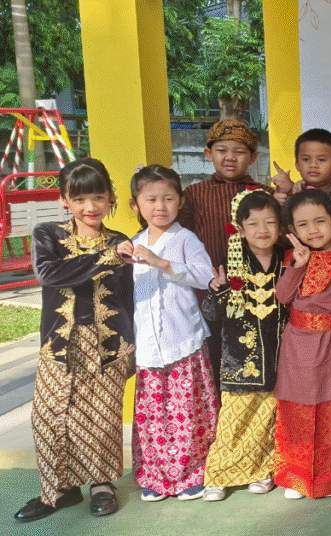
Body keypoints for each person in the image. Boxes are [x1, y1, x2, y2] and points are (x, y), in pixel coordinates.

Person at [15, 159, 134, 523]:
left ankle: (101, 485)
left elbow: (127, 297)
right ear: (65, 199)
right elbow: (50, 274)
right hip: (60, 343)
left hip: (108, 344)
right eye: (80, 198)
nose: (91, 207)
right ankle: (59, 490)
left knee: (101, 418)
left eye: (98, 196)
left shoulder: (120, 242)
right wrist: (107, 257)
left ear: (111, 197)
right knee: (48, 416)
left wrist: (132, 346)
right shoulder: (47, 234)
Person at [127, 165, 217, 502]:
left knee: (186, 410)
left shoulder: (184, 239)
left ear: (180, 202)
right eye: (151, 199)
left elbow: (205, 276)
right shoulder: (132, 243)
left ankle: (193, 473)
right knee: (153, 415)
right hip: (148, 344)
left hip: (183, 339)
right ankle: (154, 476)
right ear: (136, 205)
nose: (160, 206)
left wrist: (162, 263)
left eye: (168, 198)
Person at [180, 120, 290, 386]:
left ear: (253, 157)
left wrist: (287, 194)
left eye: (239, 151)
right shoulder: (193, 194)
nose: (230, 157)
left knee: (266, 368)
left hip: (262, 300)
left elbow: (286, 239)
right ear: (209, 154)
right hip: (212, 296)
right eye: (221, 150)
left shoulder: (266, 196)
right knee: (216, 366)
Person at [274, 189, 331, 499]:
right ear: (293, 231)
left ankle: (327, 478)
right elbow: (283, 297)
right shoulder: (293, 257)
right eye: (303, 225)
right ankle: (296, 476)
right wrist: (298, 265)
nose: (312, 230)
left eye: (320, 221)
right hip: (297, 344)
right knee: (296, 408)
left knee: (330, 410)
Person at [201, 190, 288, 501]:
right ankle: (218, 474)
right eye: (253, 223)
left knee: (266, 423)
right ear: (239, 228)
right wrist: (217, 291)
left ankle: (262, 470)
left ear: (280, 226)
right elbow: (210, 316)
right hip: (238, 361)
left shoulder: (288, 261)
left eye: (270, 222)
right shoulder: (229, 265)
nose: (262, 230)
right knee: (233, 422)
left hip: (278, 360)